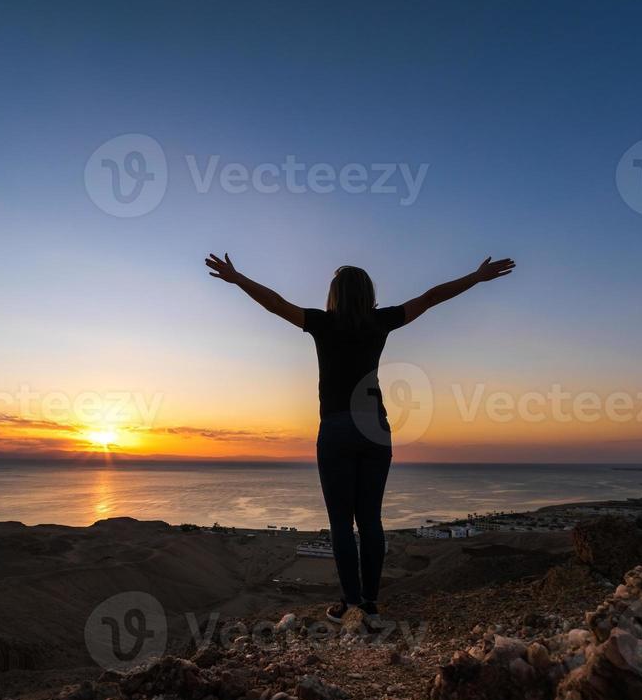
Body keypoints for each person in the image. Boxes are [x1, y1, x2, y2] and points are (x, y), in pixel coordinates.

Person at [205, 253, 516, 622]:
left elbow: (276, 304)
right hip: (375, 428)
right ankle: (369, 602)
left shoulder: (322, 323)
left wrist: (239, 278)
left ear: (334, 295)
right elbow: (431, 297)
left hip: (336, 426)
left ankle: (350, 603)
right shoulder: (380, 321)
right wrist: (475, 276)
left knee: (341, 521)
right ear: (369, 294)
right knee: (370, 519)